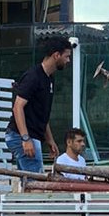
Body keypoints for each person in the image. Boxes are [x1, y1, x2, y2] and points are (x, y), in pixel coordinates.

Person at [5, 36, 72, 173]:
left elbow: (42, 115)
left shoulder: (49, 79)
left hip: (30, 136)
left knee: (28, 180)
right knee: (36, 180)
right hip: (21, 135)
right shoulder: (33, 76)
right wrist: (25, 138)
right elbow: (18, 107)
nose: (68, 60)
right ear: (56, 55)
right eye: (66, 56)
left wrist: (50, 140)